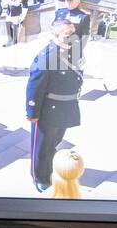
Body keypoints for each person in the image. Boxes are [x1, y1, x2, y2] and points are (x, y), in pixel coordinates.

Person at [26, 18, 84, 192]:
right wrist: (33, 112)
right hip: (48, 110)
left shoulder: (73, 50)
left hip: (67, 106)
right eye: (67, 34)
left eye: (73, 33)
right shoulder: (47, 57)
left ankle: (50, 167)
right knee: (42, 147)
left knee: (54, 142)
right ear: (55, 36)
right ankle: (40, 177)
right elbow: (34, 87)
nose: (72, 37)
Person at [55, 0, 91, 66]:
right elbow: (54, 29)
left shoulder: (83, 16)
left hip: (72, 49)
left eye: (71, 1)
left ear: (78, 1)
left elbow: (85, 36)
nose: (68, 3)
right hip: (57, 46)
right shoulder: (59, 12)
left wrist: (77, 49)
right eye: (67, 1)